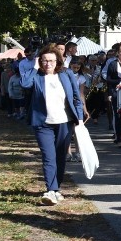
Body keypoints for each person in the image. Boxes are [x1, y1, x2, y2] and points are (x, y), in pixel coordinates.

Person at [20, 46, 84, 205]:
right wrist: (34, 67)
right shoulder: (37, 75)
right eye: (44, 61)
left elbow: (76, 97)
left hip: (64, 122)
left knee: (60, 156)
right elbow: (25, 84)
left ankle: (56, 188)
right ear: (40, 61)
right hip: (43, 123)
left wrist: (80, 120)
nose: (48, 64)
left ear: (57, 61)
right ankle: (51, 190)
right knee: (48, 157)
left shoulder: (66, 74)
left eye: (51, 61)